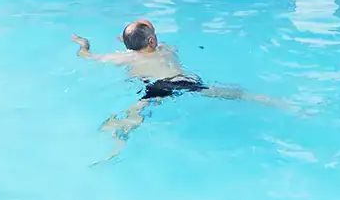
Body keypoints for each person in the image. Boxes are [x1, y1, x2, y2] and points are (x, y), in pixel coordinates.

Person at [72, 20, 281, 158]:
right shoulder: (166, 49)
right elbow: (164, 47)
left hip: (155, 86)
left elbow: (87, 57)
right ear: (153, 40)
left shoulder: (125, 56)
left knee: (137, 111)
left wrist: (84, 44)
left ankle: (117, 143)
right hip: (183, 81)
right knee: (233, 93)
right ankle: (268, 100)